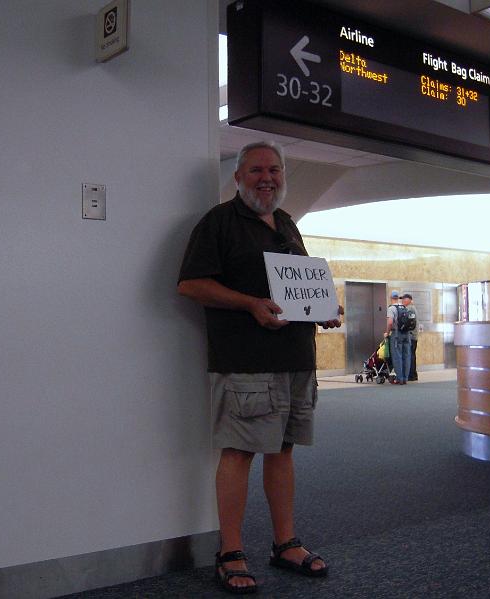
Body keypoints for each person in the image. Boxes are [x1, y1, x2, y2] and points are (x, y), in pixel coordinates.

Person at [177, 141, 341, 594]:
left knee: (283, 450)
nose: (266, 178)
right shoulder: (219, 223)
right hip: (246, 362)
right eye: (255, 171)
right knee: (239, 452)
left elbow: (298, 287)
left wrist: (322, 307)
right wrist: (249, 303)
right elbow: (190, 284)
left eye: (274, 170)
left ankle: (284, 544)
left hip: (295, 359)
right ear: (238, 177)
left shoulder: (287, 224)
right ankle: (229, 553)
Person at [384, 290, 412, 385]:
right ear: (398, 297)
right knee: (407, 356)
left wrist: (387, 333)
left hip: (396, 334)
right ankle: (405, 378)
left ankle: (399, 378)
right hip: (407, 334)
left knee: (397, 356)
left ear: (391, 298)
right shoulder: (404, 307)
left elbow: (390, 322)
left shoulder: (391, 308)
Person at [401, 293, 419, 381]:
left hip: (411, 336)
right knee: (412, 355)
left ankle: (410, 375)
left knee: (410, 355)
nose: (402, 301)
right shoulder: (413, 308)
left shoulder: (410, 309)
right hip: (414, 336)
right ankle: (413, 374)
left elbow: (408, 322)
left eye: (404, 300)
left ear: (409, 300)